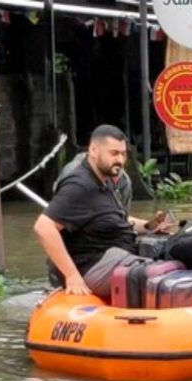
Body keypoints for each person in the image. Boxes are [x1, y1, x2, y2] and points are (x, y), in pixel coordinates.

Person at [33, 124, 167, 299]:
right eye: (114, 153)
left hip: (119, 255)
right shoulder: (79, 185)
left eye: (123, 154)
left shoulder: (107, 181)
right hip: (94, 265)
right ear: (94, 151)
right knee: (162, 279)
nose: (120, 159)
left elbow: (116, 220)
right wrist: (72, 276)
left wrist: (150, 225)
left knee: (174, 250)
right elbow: (43, 227)